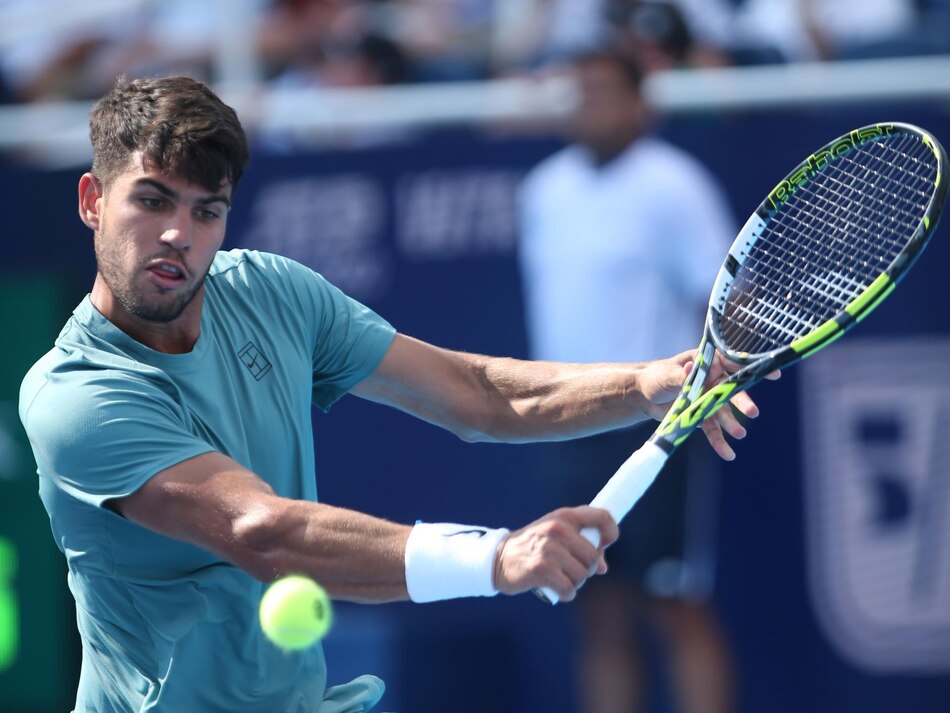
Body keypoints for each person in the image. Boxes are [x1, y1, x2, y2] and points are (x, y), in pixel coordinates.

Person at [18, 75, 759, 713]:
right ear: (92, 200)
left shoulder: (272, 293)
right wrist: (496, 557)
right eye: (152, 200)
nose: (178, 234)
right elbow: (263, 531)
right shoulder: (75, 395)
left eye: (206, 210)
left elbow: (476, 392)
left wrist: (642, 383)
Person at [519, 50, 738, 713]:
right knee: (597, 608)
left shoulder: (675, 184)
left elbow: (720, 299)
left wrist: (707, 380)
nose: (590, 102)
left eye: (606, 89)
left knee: (674, 604)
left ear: (641, 103)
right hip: (567, 425)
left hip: (657, 426)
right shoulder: (543, 189)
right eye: (580, 89)